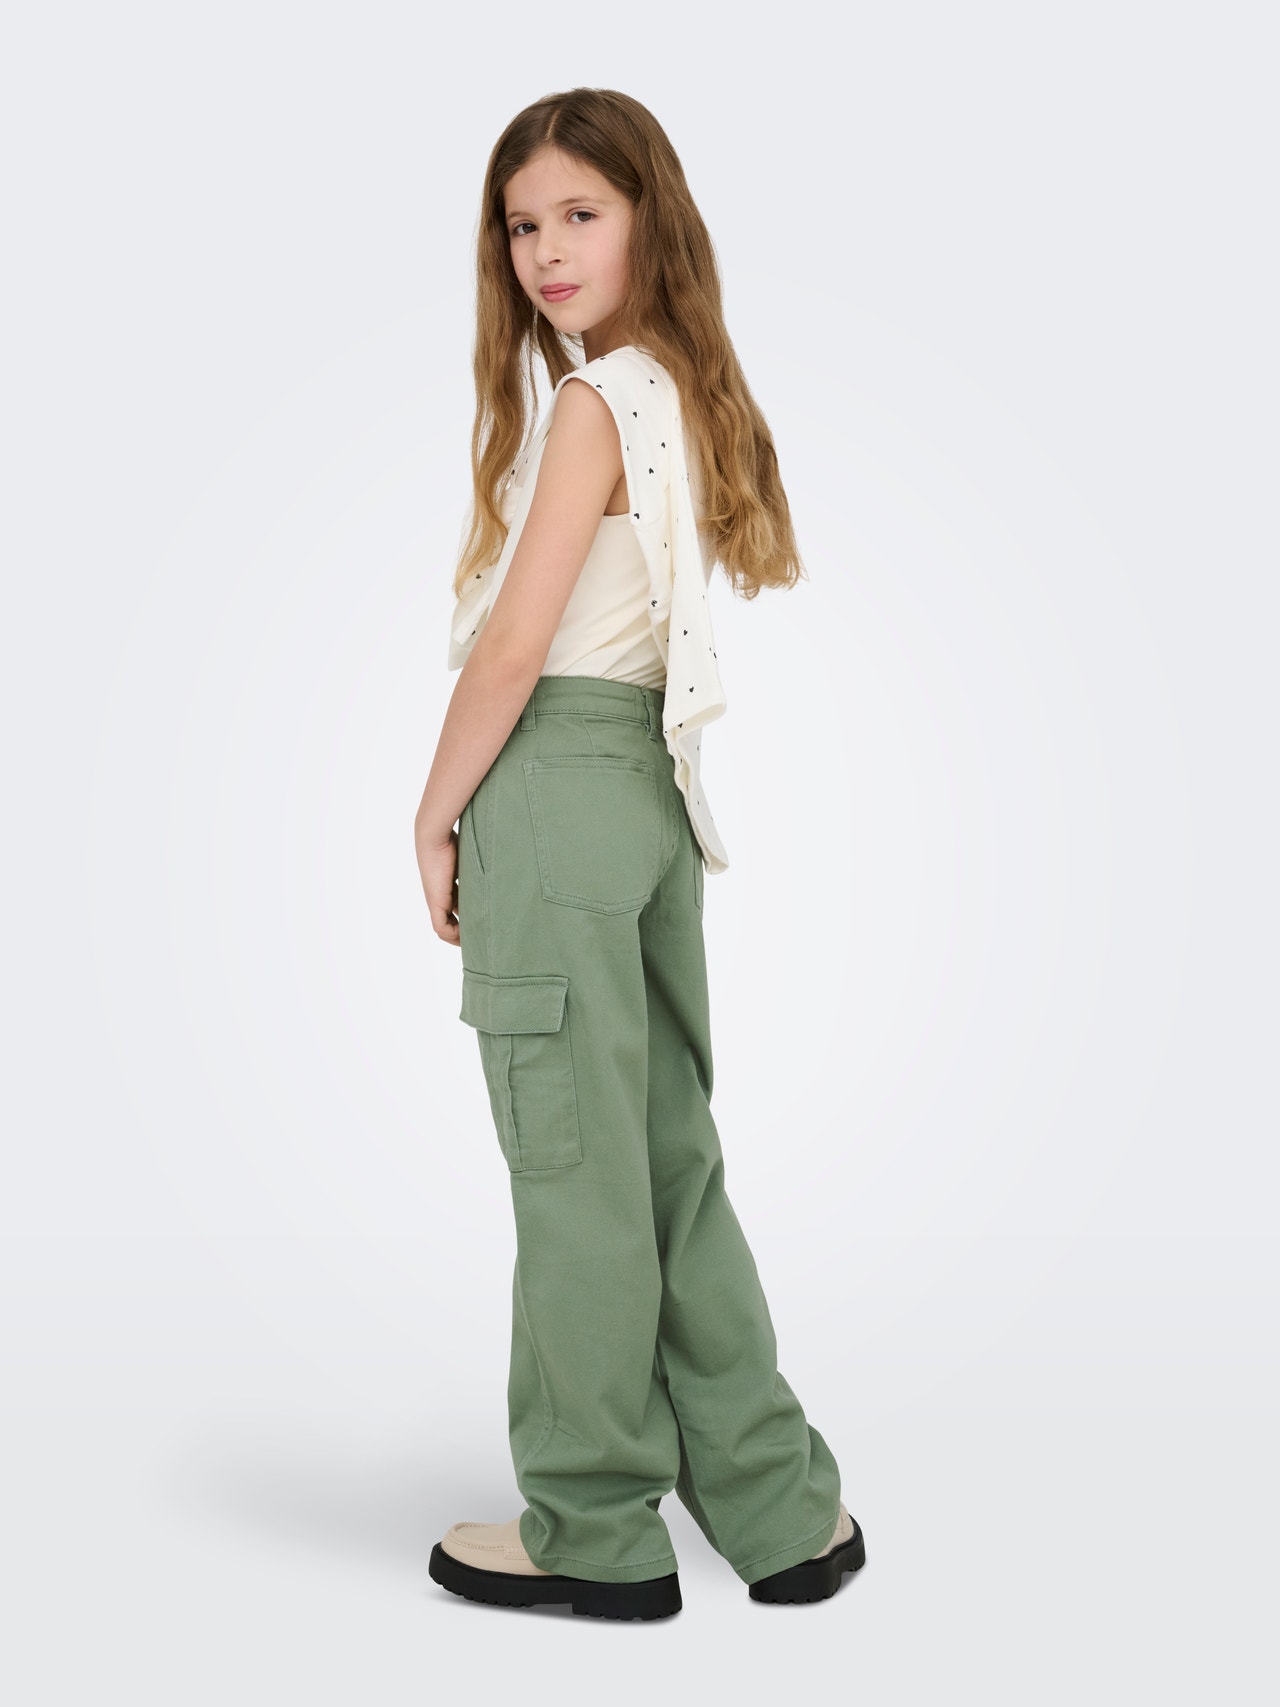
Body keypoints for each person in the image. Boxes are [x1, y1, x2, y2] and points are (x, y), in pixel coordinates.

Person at [414, 87, 866, 1622]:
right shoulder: (680, 387)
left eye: (579, 215)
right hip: (652, 801)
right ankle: (782, 1509)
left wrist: (433, 811)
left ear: (647, 217)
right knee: (670, 1165)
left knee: (577, 1173)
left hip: (556, 792)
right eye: (522, 225)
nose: (546, 250)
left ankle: (595, 1525)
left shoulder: (595, 403)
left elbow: (514, 651)